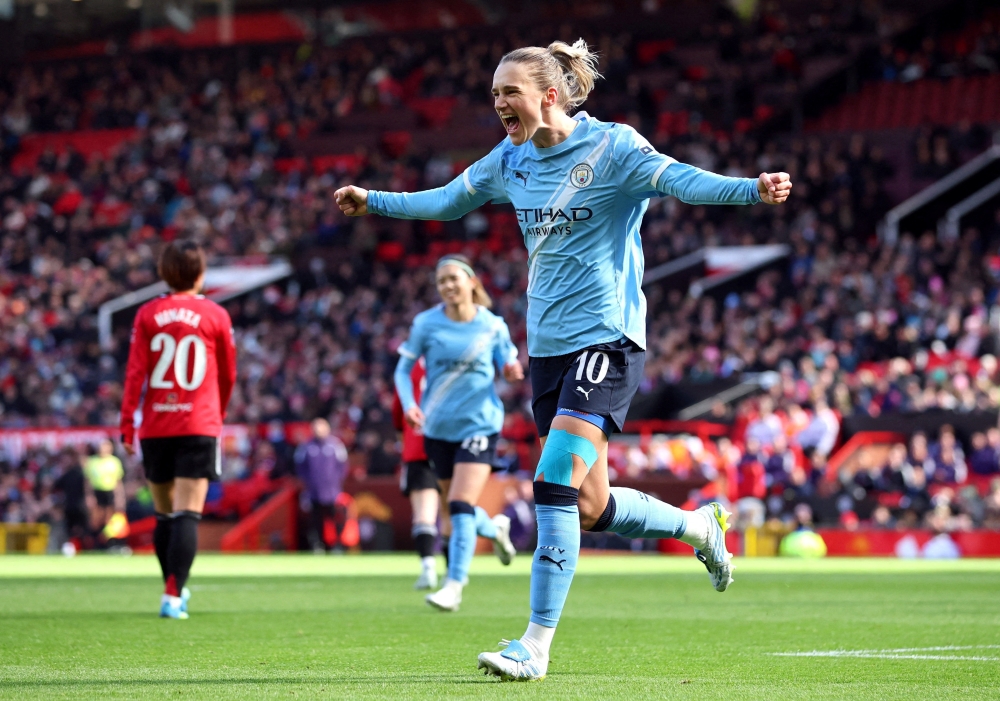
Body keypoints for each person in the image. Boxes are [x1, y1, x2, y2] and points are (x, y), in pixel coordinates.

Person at [335, 39, 792, 680]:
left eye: (510, 92)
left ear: (549, 95)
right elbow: (444, 200)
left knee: (551, 481)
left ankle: (535, 645)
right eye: (494, 93)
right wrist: (374, 201)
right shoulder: (510, 159)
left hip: (607, 340)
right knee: (590, 506)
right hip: (548, 349)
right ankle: (699, 528)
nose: (499, 103)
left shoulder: (613, 147)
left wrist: (752, 190)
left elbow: (681, 181)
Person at [391, 254, 522, 612]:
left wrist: (511, 371)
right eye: (441, 281)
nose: (447, 285)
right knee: (454, 507)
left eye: (453, 278)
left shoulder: (492, 326)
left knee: (460, 504)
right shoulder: (426, 324)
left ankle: (454, 585)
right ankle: (493, 529)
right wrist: (409, 405)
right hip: (437, 428)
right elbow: (402, 371)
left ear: (471, 282)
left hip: (480, 425)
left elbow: (508, 362)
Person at [120, 239, 237, 620]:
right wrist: (218, 413)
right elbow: (228, 374)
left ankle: (172, 589)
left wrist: (126, 423)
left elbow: (134, 373)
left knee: (165, 515)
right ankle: (173, 593)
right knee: (188, 513)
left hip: (157, 425)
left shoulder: (148, 313)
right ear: (200, 274)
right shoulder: (216, 315)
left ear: (163, 273)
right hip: (199, 423)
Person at [392, 357, 444, 590]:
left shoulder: (409, 365)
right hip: (451, 443)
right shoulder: (454, 355)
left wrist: (402, 436)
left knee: (424, 513)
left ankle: (428, 567)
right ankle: (454, 574)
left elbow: (398, 407)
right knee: (457, 509)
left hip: (418, 446)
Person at [294, 418, 349, 553]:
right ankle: (317, 545)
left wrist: (335, 482)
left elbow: (342, 466)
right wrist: (308, 483)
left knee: (336, 518)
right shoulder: (306, 446)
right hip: (313, 491)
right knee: (315, 520)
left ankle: (337, 544)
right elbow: (300, 466)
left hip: (332, 491)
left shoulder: (335, 445)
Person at [83, 438, 125, 538]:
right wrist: (89, 495)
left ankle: (108, 540)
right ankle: (95, 540)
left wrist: (120, 497)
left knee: (109, 518)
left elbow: (118, 481)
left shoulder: (115, 462)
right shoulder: (92, 462)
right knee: (96, 518)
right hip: (97, 492)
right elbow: (87, 481)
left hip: (110, 492)